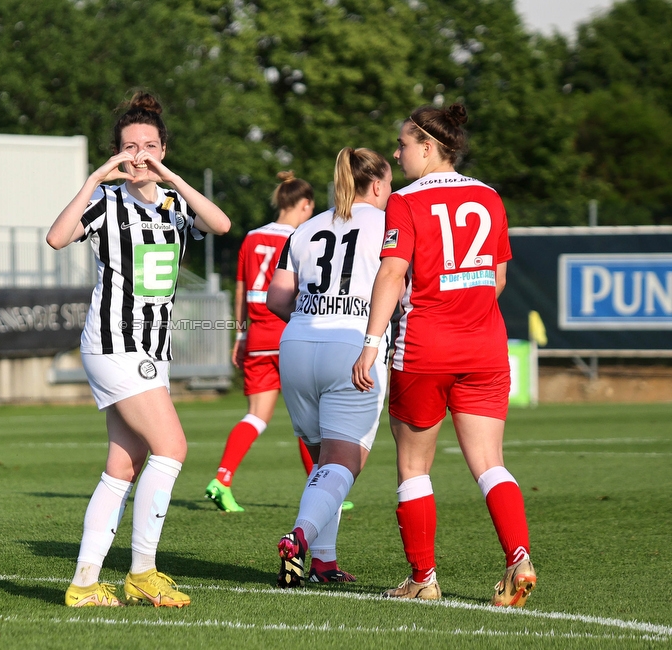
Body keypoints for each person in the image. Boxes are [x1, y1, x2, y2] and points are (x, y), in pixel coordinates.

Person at [46, 91, 231, 608]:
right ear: (118, 154)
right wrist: (94, 177)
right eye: (129, 147)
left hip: (151, 349)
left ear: (164, 150)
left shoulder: (174, 204)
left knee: (123, 467)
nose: (139, 155)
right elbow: (57, 237)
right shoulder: (107, 202)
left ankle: (84, 583)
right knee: (173, 448)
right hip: (115, 344)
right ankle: (143, 571)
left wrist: (171, 179)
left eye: (149, 146)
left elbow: (220, 225)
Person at [351, 103, 536, 607]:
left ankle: (423, 578)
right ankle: (519, 557)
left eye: (403, 144)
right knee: (490, 464)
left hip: (425, 349)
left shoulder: (406, 202)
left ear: (428, 146)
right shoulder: (491, 197)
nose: (397, 152)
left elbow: (391, 273)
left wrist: (370, 343)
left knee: (413, 467)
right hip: (485, 348)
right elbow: (495, 280)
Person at [266, 147, 393, 587]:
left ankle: (322, 561)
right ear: (377, 185)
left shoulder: (305, 228)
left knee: (324, 462)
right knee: (344, 462)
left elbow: (277, 299)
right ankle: (299, 538)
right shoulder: (390, 225)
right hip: (355, 346)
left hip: (297, 343)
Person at [205, 171, 317, 513]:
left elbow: (240, 289)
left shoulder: (252, 238)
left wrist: (240, 335)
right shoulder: (304, 235)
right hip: (290, 331)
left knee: (256, 417)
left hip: (257, 336)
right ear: (305, 204)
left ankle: (222, 479)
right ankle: (323, 494)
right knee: (309, 419)